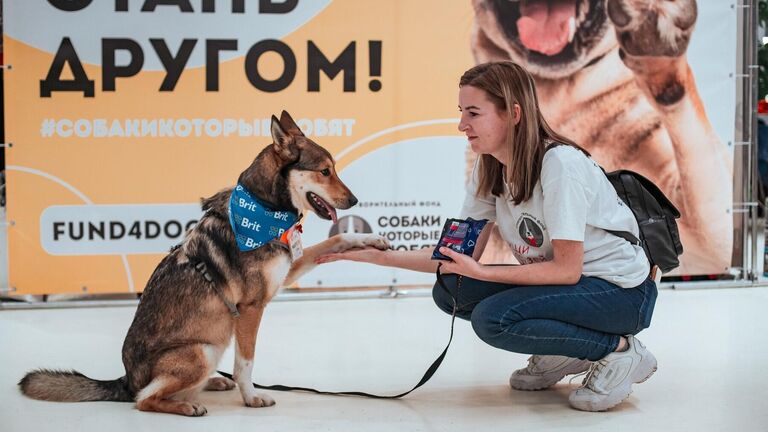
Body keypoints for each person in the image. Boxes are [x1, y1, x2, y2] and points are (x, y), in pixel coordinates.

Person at [316, 61, 658, 412]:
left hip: (621, 294)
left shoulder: (560, 166)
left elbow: (566, 271)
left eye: (473, 113)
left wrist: (484, 272)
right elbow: (452, 256)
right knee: (451, 290)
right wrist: (376, 256)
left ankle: (619, 351)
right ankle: (565, 351)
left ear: (512, 113)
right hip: (569, 289)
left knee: (492, 318)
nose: (462, 124)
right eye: (462, 112)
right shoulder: (489, 165)